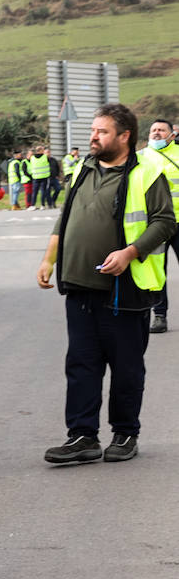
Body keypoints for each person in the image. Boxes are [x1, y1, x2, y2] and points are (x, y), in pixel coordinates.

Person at [36, 103, 174, 466]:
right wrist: (49, 259)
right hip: (79, 284)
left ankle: (125, 434)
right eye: (93, 130)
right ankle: (82, 436)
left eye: (101, 131)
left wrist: (130, 252)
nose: (93, 136)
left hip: (125, 289)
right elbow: (66, 218)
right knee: (81, 363)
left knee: (126, 366)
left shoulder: (148, 171)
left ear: (124, 136)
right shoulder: (84, 168)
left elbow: (164, 222)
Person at [140, 119, 179, 333]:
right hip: (155, 225)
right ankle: (159, 316)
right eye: (153, 129)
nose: (156, 133)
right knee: (156, 273)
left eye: (161, 130)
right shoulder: (140, 157)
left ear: (172, 135)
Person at [26, 145, 51, 210]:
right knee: (43, 191)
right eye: (42, 150)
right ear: (41, 151)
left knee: (34, 192)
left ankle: (33, 205)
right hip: (44, 177)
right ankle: (42, 205)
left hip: (35, 177)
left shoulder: (32, 158)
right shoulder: (45, 157)